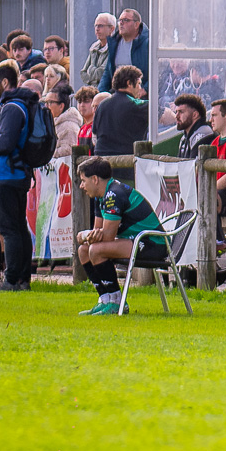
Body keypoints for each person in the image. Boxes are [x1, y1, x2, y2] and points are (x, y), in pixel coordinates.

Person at [73, 156, 170, 314]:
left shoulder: (113, 194)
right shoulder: (101, 197)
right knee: (84, 250)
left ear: (95, 179)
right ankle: (105, 299)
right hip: (136, 241)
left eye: (83, 181)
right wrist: (88, 237)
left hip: (153, 244)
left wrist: (84, 235)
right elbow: (97, 233)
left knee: (95, 250)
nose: (82, 186)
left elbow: (107, 237)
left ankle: (117, 302)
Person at [0, 63, 39, 291]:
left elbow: (5, 144)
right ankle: (21, 278)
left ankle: (12, 279)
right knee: (18, 227)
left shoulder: (12, 108)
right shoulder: (18, 106)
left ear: (5, 83)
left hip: (5, 174)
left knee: (9, 229)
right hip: (13, 173)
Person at [92, 66, 149, 157]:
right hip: (125, 164)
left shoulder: (102, 105)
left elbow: (94, 137)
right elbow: (162, 114)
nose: (140, 88)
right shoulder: (135, 104)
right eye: (138, 84)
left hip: (100, 161)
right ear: (129, 83)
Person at [104, 9, 150, 86]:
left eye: (125, 20)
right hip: (117, 92)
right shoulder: (114, 43)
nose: (121, 23)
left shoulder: (148, 43)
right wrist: (100, 93)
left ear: (136, 25)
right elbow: (107, 73)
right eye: (120, 20)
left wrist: (145, 89)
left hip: (139, 93)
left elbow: (158, 72)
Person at [77, 13, 115, 89]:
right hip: (92, 91)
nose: (97, 29)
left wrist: (91, 72)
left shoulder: (114, 47)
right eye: (96, 25)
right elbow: (83, 73)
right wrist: (93, 81)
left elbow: (102, 73)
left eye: (101, 26)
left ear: (111, 29)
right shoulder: (94, 47)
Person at [45, 84, 81, 153]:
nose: (46, 106)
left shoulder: (69, 127)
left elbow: (68, 150)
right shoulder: (53, 122)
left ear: (61, 106)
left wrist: (46, 153)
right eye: (46, 102)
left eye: (50, 102)